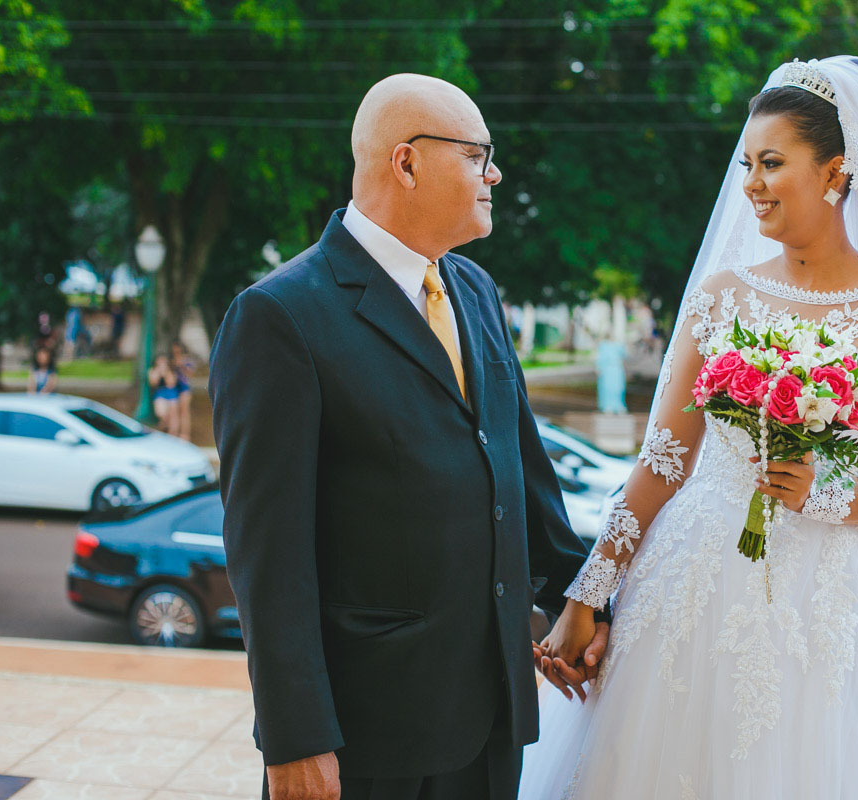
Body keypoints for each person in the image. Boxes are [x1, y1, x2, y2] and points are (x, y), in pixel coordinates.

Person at [523, 56, 858, 799]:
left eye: (771, 163)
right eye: (747, 164)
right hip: (694, 585)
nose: (752, 183)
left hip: (832, 604)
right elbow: (662, 462)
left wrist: (827, 492)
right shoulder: (721, 297)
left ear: (834, 172)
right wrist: (585, 594)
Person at [209, 73, 607, 800]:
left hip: (492, 715)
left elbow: (522, 481)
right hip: (369, 734)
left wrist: (588, 600)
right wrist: (295, 736)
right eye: (477, 154)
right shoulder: (278, 316)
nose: (495, 172)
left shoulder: (475, 290)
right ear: (407, 161)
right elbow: (268, 554)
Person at [147, 353, 181, 436]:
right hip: (160, 393)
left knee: (173, 414)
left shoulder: (170, 370)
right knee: (161, 414)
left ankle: (173, 433)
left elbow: (171, 383)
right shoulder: (152, 370)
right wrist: (159, 371)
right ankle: (163, 430)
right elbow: (153, 383)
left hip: (171, 393)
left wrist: (165, 372)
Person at [170, 340, 196, 442]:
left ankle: (184, 434)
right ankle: (174, 433)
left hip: (184, 387)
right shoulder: (171, 360)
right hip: (174, 387)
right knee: (174, 411)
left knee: (184, 411)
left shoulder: (187, 361)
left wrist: (181, 364)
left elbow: (190, 374)